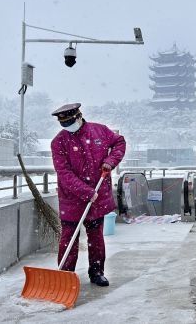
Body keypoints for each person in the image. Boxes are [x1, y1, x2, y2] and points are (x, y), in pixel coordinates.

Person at [50, 103, 126, 286]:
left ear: (78, 116)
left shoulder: (100, 131)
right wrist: (86, 192)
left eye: (69, 122)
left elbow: (119, 142)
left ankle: (97, 272)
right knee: (69, 237)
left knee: (96, 237)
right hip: (71, 199)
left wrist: (110, 161)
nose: (67, 127)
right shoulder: (58, 142)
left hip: (97, 197)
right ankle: (65, 276)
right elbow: (64, 173)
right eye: (63, 124)